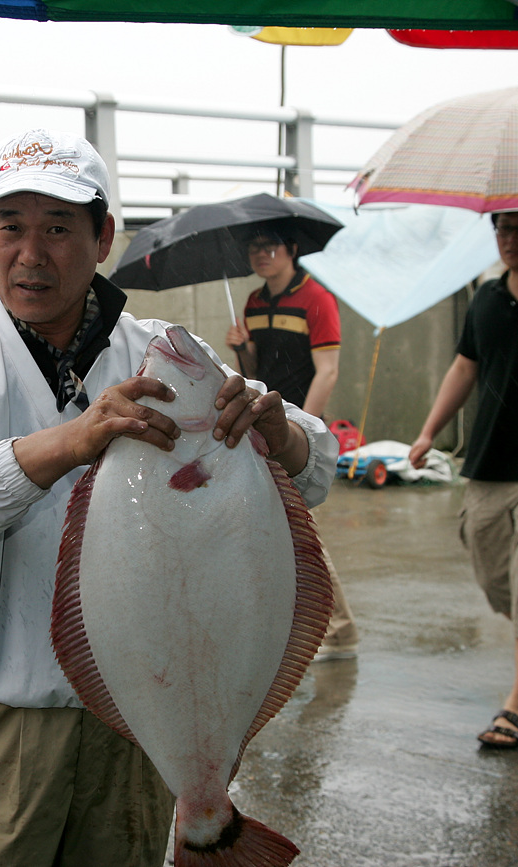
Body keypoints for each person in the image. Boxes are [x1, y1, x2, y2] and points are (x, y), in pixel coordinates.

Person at [0, 128, 337, 867]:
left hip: (149, 718)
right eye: (11, 226)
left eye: (58, 227)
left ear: (103, 238)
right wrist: (75, 440)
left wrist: (283, 433)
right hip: (6, 722)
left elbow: (316, 470)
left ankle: (208, 823)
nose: (32, 252)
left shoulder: (165, 350)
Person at [407, 210, 518, 750]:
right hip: (487, 463)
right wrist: (427, 431)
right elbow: (464, 366)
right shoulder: (486, 297)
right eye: (502, 230)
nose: (509, 240)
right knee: (494, 576)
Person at [225, 228, 358, 662]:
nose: (261, 255)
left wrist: (302, 430)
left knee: (297, 524)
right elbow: (253, 369)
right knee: (282, 523)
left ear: (292, 251)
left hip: (295, 433)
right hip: (260, 427)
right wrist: (242, 349)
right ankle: (325, 627)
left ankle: (338, 630)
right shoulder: (254, 302)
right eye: (254, 248)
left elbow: (329, 371)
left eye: (271, 247)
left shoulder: (317, 298)